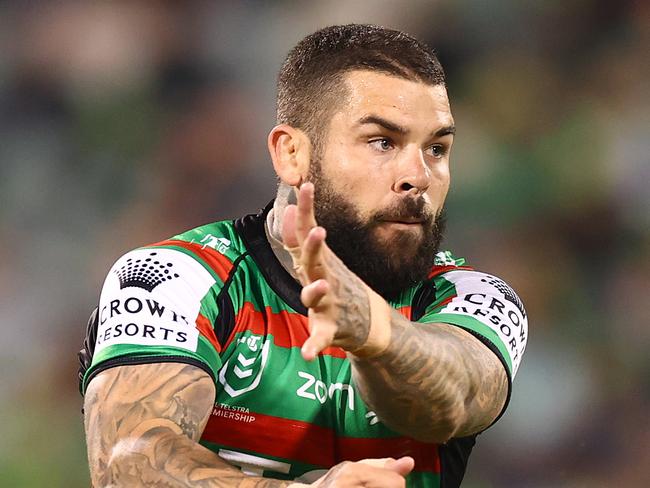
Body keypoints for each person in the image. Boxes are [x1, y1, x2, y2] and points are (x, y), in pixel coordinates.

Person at [79, 24, 528, 487]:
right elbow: (127, 465)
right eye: (382, 142)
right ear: (291, 154)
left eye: (437, 148)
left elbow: (458, 396)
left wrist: (372, 329)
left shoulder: (471, 297)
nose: (418, 176)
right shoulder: (176, 278)